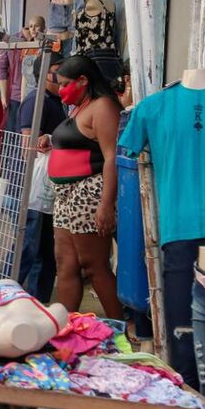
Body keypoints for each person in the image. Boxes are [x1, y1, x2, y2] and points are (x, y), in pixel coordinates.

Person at [39, 55, 124, 319]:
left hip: (90, 191)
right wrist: (51, 140)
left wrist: (106, 205)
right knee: (65, 264)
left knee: (93, 265)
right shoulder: (78, 106)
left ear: (83, 80)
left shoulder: (103, 106)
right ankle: (65, 330)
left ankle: (118, 328)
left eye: (65, 84)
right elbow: (78, 141)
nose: (61, 89)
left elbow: (111, 157)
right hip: (66, 196)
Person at [18, 52, 65, 303]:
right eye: (57, 71)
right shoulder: (36, 101)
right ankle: (7, 298)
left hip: (49, 188)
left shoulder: (57, 101)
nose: (62, 77)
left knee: (46, 251)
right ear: (43, 73)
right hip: (35, 188)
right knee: (28, 248)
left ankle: (38, 302)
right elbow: (28, 144)